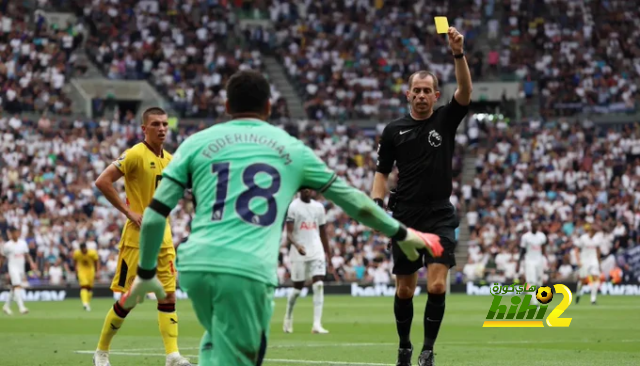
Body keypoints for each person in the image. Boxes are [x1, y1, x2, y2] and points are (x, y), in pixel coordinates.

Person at [121, 70, 444, 366]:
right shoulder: (292, 149)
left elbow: (153, 217)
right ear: (270, 106)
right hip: (246, 271)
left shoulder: (194, 143)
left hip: (195, 267)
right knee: (244, 357)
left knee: (216, 341)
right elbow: (356, 205)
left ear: (227, 104)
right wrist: (402, 234)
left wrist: (146, 271)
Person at [371, 27, 472, 366]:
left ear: (435, 94)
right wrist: (374, 206)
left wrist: (458, 53)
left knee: (438, 286)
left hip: (439, 215)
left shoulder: (446, 120)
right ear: (408, 95)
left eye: (427, 91)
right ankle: (404, 346)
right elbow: (381, 172)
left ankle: (428, 350)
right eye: (416, 90)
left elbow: (466, 90)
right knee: (404, 290)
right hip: (405, 216)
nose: (421, 95)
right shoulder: (393, 130)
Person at [92, 107, 191, 366]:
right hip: (137, 238)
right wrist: (129, 211)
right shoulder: (135, 153)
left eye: (165, 124)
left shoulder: (171, 159)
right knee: (131, 298)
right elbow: (102, 181)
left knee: (169, 296)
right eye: (156, 124)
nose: (161, 129)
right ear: (144, 129)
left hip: (165, 238)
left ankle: (172, 355)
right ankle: (101, 351)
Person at [283, 188, 331, 334]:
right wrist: (297, 245)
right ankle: (288, 316)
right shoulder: (293, 207)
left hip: (316, 249)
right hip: (299, 251)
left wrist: (328, 252)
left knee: (319, 285)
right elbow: (288, 233)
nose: (307, 191)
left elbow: (322, 232)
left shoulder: (319, 207)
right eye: (304, 188)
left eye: (309, 188)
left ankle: (317, 324)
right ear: (299, 190)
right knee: (298, 288)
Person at [2, 227, 38, 315]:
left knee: (15, 287)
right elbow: (3, 257)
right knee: (17, 285)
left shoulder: (23, 243)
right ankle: (21, 307)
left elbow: (27, 254)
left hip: (21, 268)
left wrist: (32, 263)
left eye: (15, 233)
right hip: (12, 267)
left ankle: (6, 306)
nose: (14, 235)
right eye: (12, 233)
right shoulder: (7, 245)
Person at [516, 222, 548, 305]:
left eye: (536, 226)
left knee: (539, 282)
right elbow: (522, 250)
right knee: (531, 281)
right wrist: (518, 262)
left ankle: (530, 296)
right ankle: (534, 302)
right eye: (533, 226)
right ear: (531, 227)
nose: (535, 227)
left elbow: (543, 248)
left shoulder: (542, 236)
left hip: (539, 260)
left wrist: (544, 259)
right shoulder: (526, 237)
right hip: (529, 261)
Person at [575, 224, 602, 305]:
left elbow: (598, 250)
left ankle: (593, 299)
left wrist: (599, 261)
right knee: (583, 281)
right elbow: (576, 249)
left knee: (596, 278)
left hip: (593, 261)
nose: (593, 233)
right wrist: (578, 261)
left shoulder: (597, 239)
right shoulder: (583, 238)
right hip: (584, 261)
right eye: (592, 231)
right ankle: (578, 293)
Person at [73, 242, 100, 311]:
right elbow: (75, 261)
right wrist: (76, 270)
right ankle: (84, 303)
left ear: (86, 248)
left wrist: (97, 272)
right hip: (81, 271)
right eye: (82, 250)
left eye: (84, 249)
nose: (83, 251)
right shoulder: (77, 253)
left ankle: (87, 303)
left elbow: (96, 262)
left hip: (91, 271)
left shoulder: (92, 253)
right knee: (84, 286)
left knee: (89, 288)